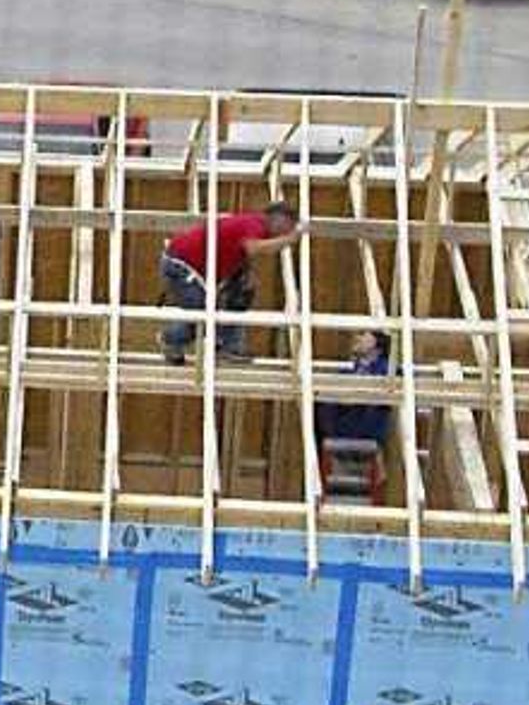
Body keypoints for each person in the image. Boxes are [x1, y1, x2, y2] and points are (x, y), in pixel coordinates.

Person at [162, 203, 293, 364]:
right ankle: (171, 340)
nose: (287, 230)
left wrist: (247, 272)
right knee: (202, 310)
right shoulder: (256, 224)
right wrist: (290, 239)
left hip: (195, 266)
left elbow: (240, 248)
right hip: (182, 264)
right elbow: (253, 247)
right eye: (288, 224)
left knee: (238, 296)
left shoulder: (254, 225)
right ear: (277, 218)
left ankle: (228, 347)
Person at [315, 330, 395, 498]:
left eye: (364, 334)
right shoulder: (351, 369)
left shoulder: (386, 369)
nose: (357, 338)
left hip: (365, 429)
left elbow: (359, 396)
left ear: (376, 344)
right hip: (341, 429)